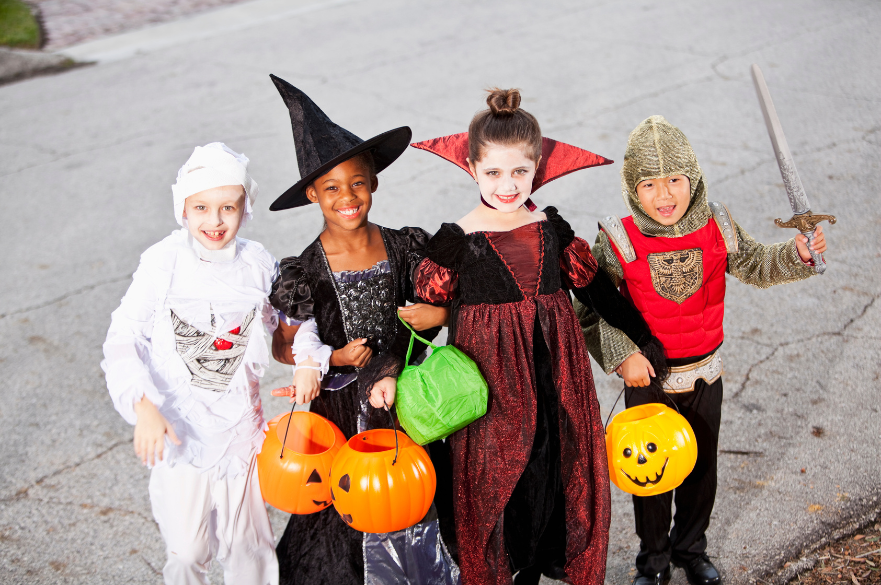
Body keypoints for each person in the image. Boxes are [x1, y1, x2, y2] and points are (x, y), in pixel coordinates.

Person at [407, 88, 666, 585]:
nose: (508, 186)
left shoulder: (551, 229)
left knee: (554, 470)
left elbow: (597, 293)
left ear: (537, 167)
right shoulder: (457, 240)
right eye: (494, 173)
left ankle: (543, 564)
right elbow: (428, 307)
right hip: (494, 390)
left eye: (520, 172)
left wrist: (641, 337)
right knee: (500, 483)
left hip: (555, 382)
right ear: (472, 166)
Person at [575, 115, 829, 585]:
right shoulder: (618, 239)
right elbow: (589, 309)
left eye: (675, 180)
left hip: (705, 374)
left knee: (699, 471)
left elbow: (755, 262)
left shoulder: (717, 224)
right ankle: (652, 561)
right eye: (649, 184)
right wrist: (622, 355)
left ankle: (691, 549)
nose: (665, 195)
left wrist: (797, 253)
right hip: (648, 379)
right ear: (633, 187)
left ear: (693, 177)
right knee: (651, 476)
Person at [265, 74, 457, 585]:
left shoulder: (406, 246)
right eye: (331, 187)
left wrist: (438, 318)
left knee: (413, 497)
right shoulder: (303, 272)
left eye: (356, 182)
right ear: (312, 194)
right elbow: (285, 348)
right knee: (347, 511)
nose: (346, 196)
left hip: (407, 401)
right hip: (341, 412)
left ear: (373, 182)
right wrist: (328, 358)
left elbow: (433, 311)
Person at [101, 143, 279, 585]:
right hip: (181, 434)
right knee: (186, 552)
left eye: (227, 208)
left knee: (249, 549)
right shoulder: (163, 263)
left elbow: (289, 325)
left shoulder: (257, 264)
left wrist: (311, 363)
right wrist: (143, 406)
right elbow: (124, 337)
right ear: (183, 207)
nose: (214, 222)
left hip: (241, 432)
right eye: (201, 207)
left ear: (246, 208)